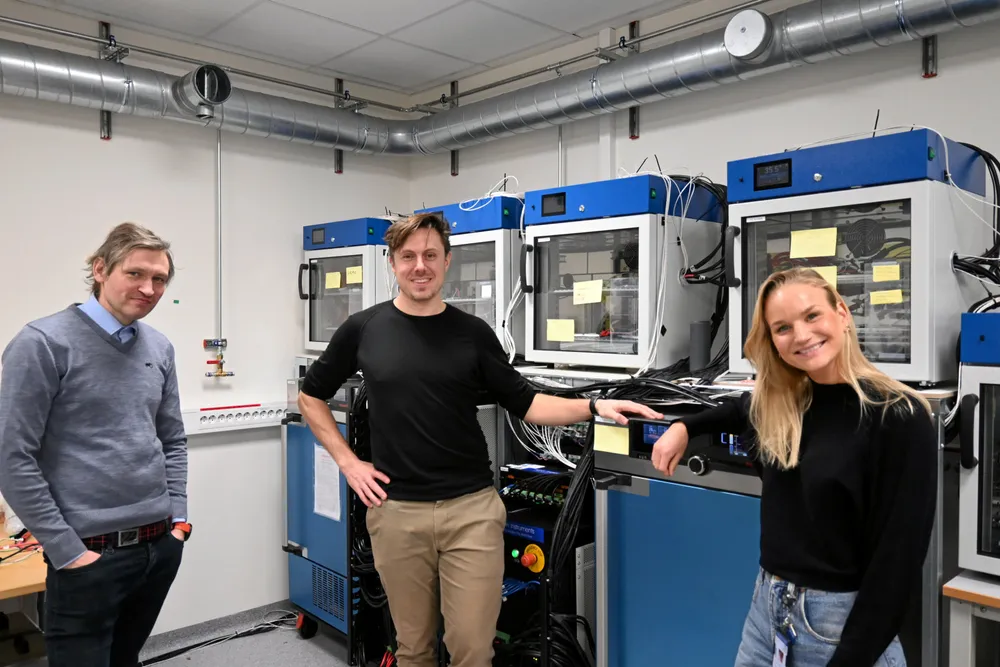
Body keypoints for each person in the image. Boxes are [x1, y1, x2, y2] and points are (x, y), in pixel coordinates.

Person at [298, 212, 660, 667]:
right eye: (408, 256)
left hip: (470, 512)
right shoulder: (364, 328)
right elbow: (310, 396)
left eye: (430, 255)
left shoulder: (472, 333)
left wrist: (593, 407)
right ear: (392, 263)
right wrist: (348, 463)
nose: (420, 266)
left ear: (447, 261)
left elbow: (527, 402)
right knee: (413, 649)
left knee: (472, 649)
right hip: (396, 514)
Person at [651, 267, 936, 667]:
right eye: (782, 328)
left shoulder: (898, 416)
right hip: (767, 612)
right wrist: (684, 427)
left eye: (812, 315)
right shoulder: (785, 403)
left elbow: (897, 567)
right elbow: (738, 409)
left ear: (841, 313)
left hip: (841, 627)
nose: (801, 335)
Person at [0, 222, 191, 667]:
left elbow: (172, 440)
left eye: (159, 279)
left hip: (159, 545)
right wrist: (67, 550)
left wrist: (178, 520)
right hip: (88, 552)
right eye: (135, 274)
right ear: (101, 269)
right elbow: (12, 457)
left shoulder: (159, 347)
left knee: (125, 659)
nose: (149, 289)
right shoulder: (43, 343)